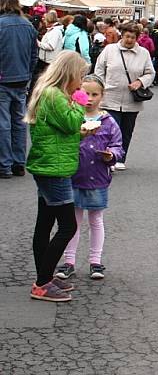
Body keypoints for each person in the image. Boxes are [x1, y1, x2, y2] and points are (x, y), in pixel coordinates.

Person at [25, 51, 88, 301]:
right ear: (69, 74)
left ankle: (45, 277)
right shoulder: (56, 95)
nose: (81, 83)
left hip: (48, 163)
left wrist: (79, 134)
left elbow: (61, 129)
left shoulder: (47, 91)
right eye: (80, 77)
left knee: (45, 222)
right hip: (54, 167)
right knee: (67, 225)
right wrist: (81, 101)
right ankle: (42, 283)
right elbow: (72, 124)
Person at [55, 75, 123, 281]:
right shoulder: (73, 117)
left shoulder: (108, 121)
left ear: (102, 96)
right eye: (85, 93)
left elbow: (118, 146)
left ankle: (95, 261)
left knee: (96, 220)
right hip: (73, 176)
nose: (90, 98)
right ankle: (69, 262)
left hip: (98, 178)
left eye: (95, 94)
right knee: (71, 223)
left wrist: (111, 155)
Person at [93, 22, 155, 170]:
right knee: (110, 130)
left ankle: (120, 157)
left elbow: (150, 73)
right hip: (110, 97)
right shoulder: (109, 50)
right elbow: (99, 70)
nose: (129, 40)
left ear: (137, 38)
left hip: (131, 100)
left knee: (126, 131)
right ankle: (109, 157)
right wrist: (101, 88)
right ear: (122, 35)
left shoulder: (143, 53)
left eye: (133, 37)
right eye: (127, 36)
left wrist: (140, 82)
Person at [0, 0, 38, 179]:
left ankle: (4, 164)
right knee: (19, 122)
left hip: (4, 79)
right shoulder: (28, 25)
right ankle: (18, 163)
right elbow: (34, 56)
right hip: (21, 78)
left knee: (4, 123)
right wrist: (28, 74)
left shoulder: (1, 25)